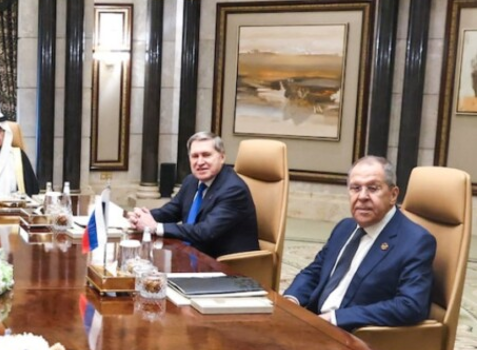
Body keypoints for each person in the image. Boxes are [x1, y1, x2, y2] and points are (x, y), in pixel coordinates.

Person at [283, 156, 435, 331]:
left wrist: (336, 318)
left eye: (373, 188)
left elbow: (410, 305)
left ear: (393, 195)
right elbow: (315, 272)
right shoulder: (345, 228)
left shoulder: (415, 242)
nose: (362, 196)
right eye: (355, 188)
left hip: (353, 335)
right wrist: (291, 300)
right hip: (313, 322)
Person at [129, 132, 259, 258]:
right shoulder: (191, 181)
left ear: (222, 157)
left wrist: (156, 227)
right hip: (193, 254)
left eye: (206, 155)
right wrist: (141, 217)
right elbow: (172, 211)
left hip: (224, 263)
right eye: (195, 156)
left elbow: (205, 232)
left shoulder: (233, 189)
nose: (200, 162)